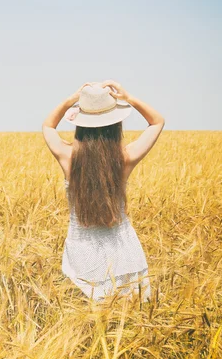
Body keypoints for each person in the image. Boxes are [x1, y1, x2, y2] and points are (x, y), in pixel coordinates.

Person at [42, 80, 165, 301]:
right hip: (124, 253)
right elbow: (157, 122)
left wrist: (73, 98)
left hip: (82, 257)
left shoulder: (67, 156)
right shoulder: (125, 158)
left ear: (80, 125)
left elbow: (48, 126)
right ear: (116, 124)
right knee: (128, 326)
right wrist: (128, 98)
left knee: (86, 325)